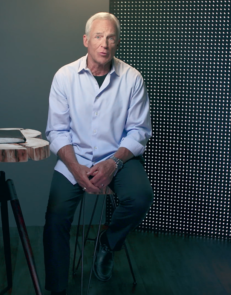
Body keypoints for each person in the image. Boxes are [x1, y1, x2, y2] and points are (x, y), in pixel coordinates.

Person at [43, 12, 154, 295]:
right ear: (86, 41)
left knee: (140, 197)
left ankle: (107, 244)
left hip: (118, 157)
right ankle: (56, 289)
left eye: (110, 37)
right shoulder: (64, 76)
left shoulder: (132, 78)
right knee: (55, 219)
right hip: (74, 159)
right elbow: (57, 131)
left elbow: (139, 131)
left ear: (117, 43)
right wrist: (75, 168)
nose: (104, 43)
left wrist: (114, 163)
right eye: (98, 36)